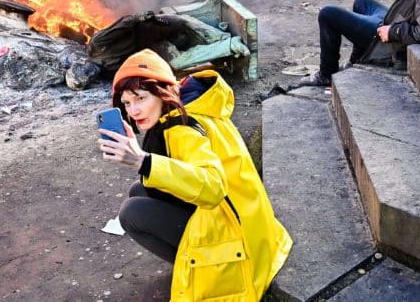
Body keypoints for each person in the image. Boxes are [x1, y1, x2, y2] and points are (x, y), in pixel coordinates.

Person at [98, 49, 292, 300]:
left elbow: (213, 188)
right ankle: (193, 261)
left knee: (132, 213)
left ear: (163, 92)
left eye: (141, 98)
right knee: (140, 190)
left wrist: (143, 162)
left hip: (239, 241)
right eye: (127, 103)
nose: (133, 111)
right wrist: (145, 164)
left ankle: (203, 270)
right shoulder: (192, 103)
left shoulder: (183, 129)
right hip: (251, 223)